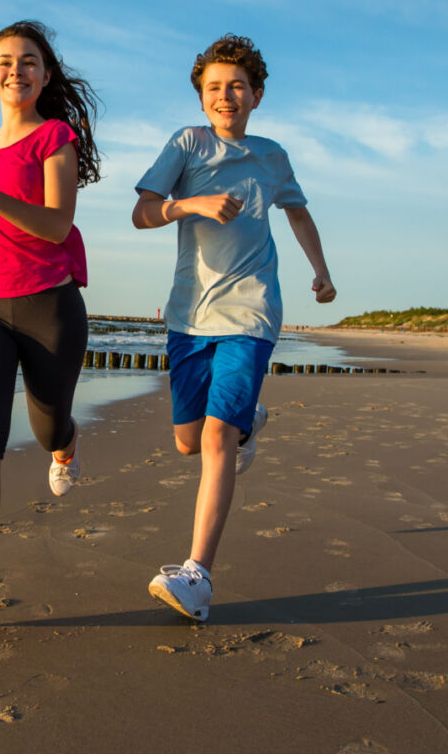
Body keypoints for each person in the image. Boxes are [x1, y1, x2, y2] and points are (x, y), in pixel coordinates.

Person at [131, 33, 336, 622]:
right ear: (202, 98)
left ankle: (196, 576)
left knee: (217, 439)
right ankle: (251, 424)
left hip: (251, 311)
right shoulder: (187, 144)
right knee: (188, 441)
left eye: (237, 87)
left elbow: (297, 211)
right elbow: (143, 212)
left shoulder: (272, 156)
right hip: (188, 315)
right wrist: (190, 204)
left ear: (257, 95)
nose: (227, 96)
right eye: (215, 88)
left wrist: (321, 272)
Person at [0, 20, 103, 625]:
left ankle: (67, 447)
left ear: (46, 74)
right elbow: (4, 228)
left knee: (46, 424)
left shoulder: (54, 137)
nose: (16, 70)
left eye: (29, 61)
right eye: (5, 61)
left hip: (49, 306)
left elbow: (56, 226)